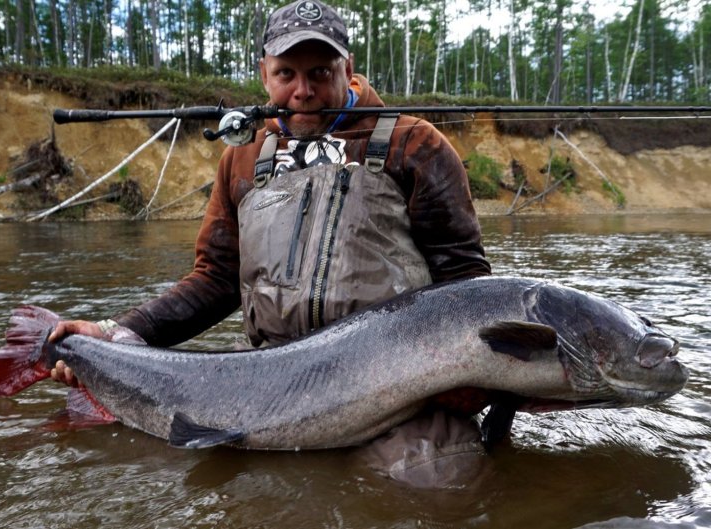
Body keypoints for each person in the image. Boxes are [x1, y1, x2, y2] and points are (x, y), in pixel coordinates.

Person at [50, 0, 492, 486]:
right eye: (286, 73)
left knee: (435, 488)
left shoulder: (415, 144)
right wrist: (115, 335)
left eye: (320, 72)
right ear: (264, 74)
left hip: (402, 392)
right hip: (271, 389)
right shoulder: (240, 157)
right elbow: (215, 280)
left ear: (349, 69)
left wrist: (470, 376)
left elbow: (466, 285)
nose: (303, 91)